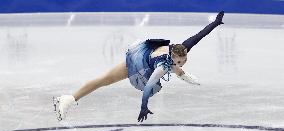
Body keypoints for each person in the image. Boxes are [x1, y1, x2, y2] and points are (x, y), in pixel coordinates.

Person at [53, 11, 225, 123]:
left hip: (148, 53)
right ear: (173, 57)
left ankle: (182, 74)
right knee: (106, 80)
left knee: (174, 68)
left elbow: (201, 34)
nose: (183, 60)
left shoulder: (183, 48)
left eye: (184, 60)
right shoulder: (162, 66)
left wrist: (216, 23)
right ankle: (69, 98)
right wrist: (144, 107)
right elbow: (149, 86)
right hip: (139, 63)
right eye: (179, 62)